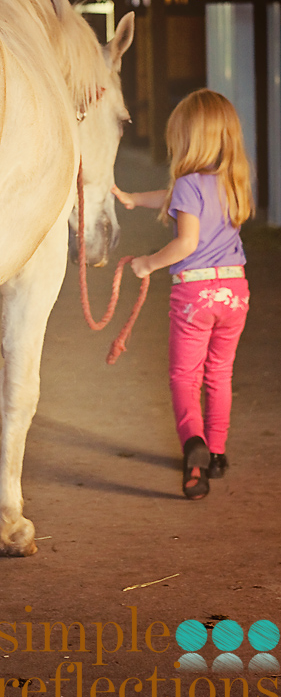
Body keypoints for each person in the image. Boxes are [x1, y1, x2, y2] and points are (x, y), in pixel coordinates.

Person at [112, 90, 254, 500]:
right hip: (234, 292)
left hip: (195, 294)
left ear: (190, 139)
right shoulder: (233, 181)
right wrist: (134, 199)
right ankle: (218, 451)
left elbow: (186, 242)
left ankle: (194, 447)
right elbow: (174, 200)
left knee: (184, 376)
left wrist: (149, 263)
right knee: (220, 373)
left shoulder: (190, 183)